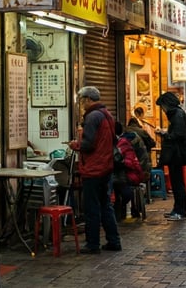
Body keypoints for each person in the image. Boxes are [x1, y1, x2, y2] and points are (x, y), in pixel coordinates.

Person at [69, 86, 122, 253]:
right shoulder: (107, 114)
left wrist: (75, 145)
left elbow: (88, 144)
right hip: (106, 166)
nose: (81, 105)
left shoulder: (92, 117)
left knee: (92, 207)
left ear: (87, 99)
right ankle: (114, 241)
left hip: (93, 168)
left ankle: (92, 244)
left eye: (82, 101)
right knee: (106, 204)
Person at [155, 85, 186, 221]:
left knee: (177, 183)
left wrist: (164, 134)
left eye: (162, 106)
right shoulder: (177, 113)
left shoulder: (176, 114)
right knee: (177, 183)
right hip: (176, 154)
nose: (162, 109)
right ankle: (177, 209)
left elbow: (178, 134)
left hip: (176, 154)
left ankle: (180, 211)